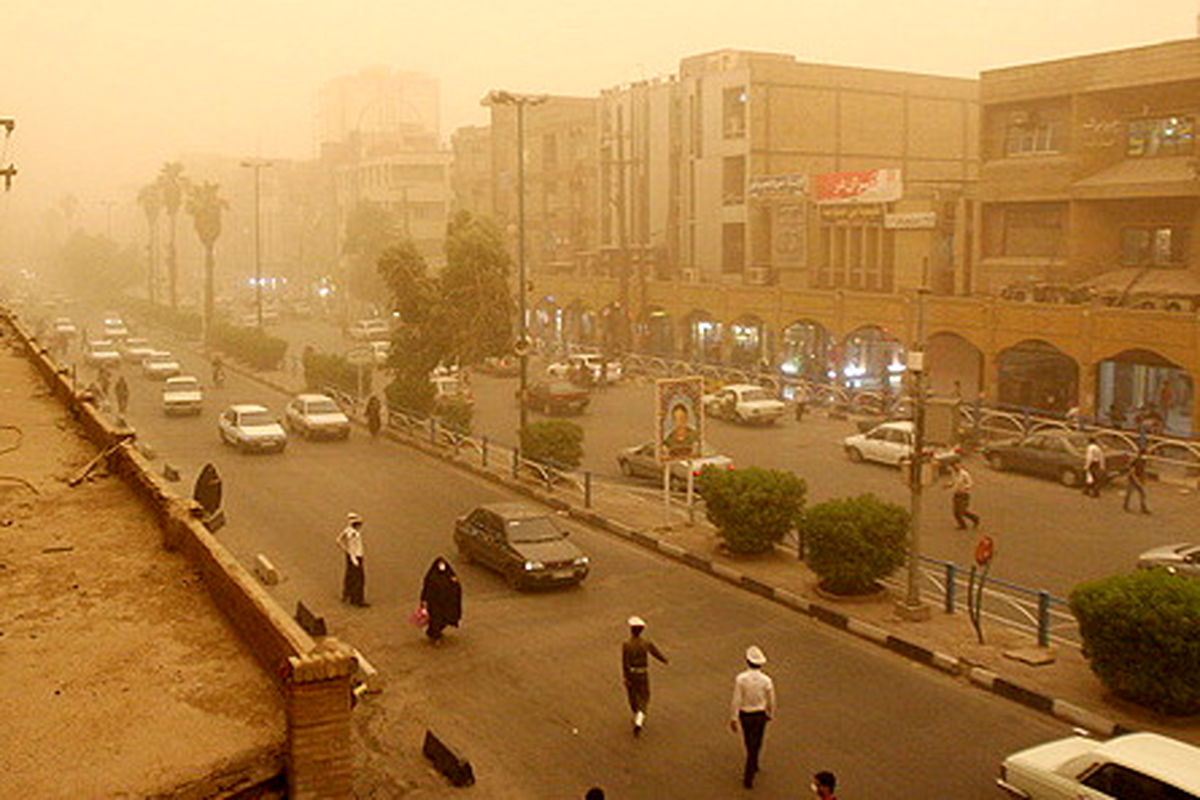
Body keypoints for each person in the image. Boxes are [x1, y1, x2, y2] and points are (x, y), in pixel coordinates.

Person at [730, 645, 775, 789]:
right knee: (758, 741)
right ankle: (752, 766)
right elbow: (771, 699)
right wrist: (770, 713)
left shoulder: (741, 679)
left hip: (746, 714)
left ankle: (752, 764)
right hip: (760, 714)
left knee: (749, 741)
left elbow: (736, 698)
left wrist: (733, 717)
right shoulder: (766, 680)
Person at [622, 616, 668, 736]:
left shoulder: (626, 645)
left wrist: (626, 678)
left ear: (631, 630)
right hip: (643, 673)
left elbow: (625, 663)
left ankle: (637, 713)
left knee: (633, 696)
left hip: (632, 673)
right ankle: (640, 719)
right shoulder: (646, 643)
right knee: (644, 696)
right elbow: (655, 653)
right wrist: (664, 660)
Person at [420, 557, 462, 640]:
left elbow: (456, 587)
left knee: (445, 619)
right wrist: (424, 601)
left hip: (446, 604)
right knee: (436, 620)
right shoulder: (431, 577)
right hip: (435, 604)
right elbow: (426, 589)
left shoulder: (449, 575)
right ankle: (435, 636)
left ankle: (433, 633)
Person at [336, 512, 368, 607]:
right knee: (360, 579)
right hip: (356, 557)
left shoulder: (348, 530)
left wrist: (345, 550)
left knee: (349, 576)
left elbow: (338, 540)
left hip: (349, 556)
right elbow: (353, 547)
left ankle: (347, 594)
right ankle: (357, 600)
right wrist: (354, 559)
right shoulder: (353, 534)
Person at [945, 460, 980, 529]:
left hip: (964, 494)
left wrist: (965, 488)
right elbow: (953, 482)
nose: (956, 467)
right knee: (956, 512)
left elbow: (970, 483)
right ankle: (962, 525)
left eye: (957, 465)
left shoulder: (964, 474)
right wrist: (948, 485)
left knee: (962, 511)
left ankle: (975, 519)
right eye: (954, 466)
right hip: (956, 494)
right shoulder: (954, 474)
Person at [1123, 448, 1150, 514]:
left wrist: (1143, 479)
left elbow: (1142, 471)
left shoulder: (1143, 461)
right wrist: (1136, 480)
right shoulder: (1138, 461)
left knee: (1141, 493)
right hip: (1134, 479)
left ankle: (1143, 507)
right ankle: (1126, 505)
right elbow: (1132, 470)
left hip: (1137, 479)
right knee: (1132, 493)